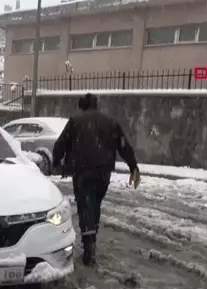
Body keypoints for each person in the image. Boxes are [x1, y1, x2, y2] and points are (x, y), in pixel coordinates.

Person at [52, 93, 141, 266]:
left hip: (82, 171)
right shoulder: (110, 122)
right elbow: (123, 146)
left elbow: (60, 145)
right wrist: (133, 166)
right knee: (94, 204)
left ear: (82, 106)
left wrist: (57, 163)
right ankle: (92, 237)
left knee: (85, 205)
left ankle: (89, 246)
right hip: (103, 172)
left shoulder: (75, 122)